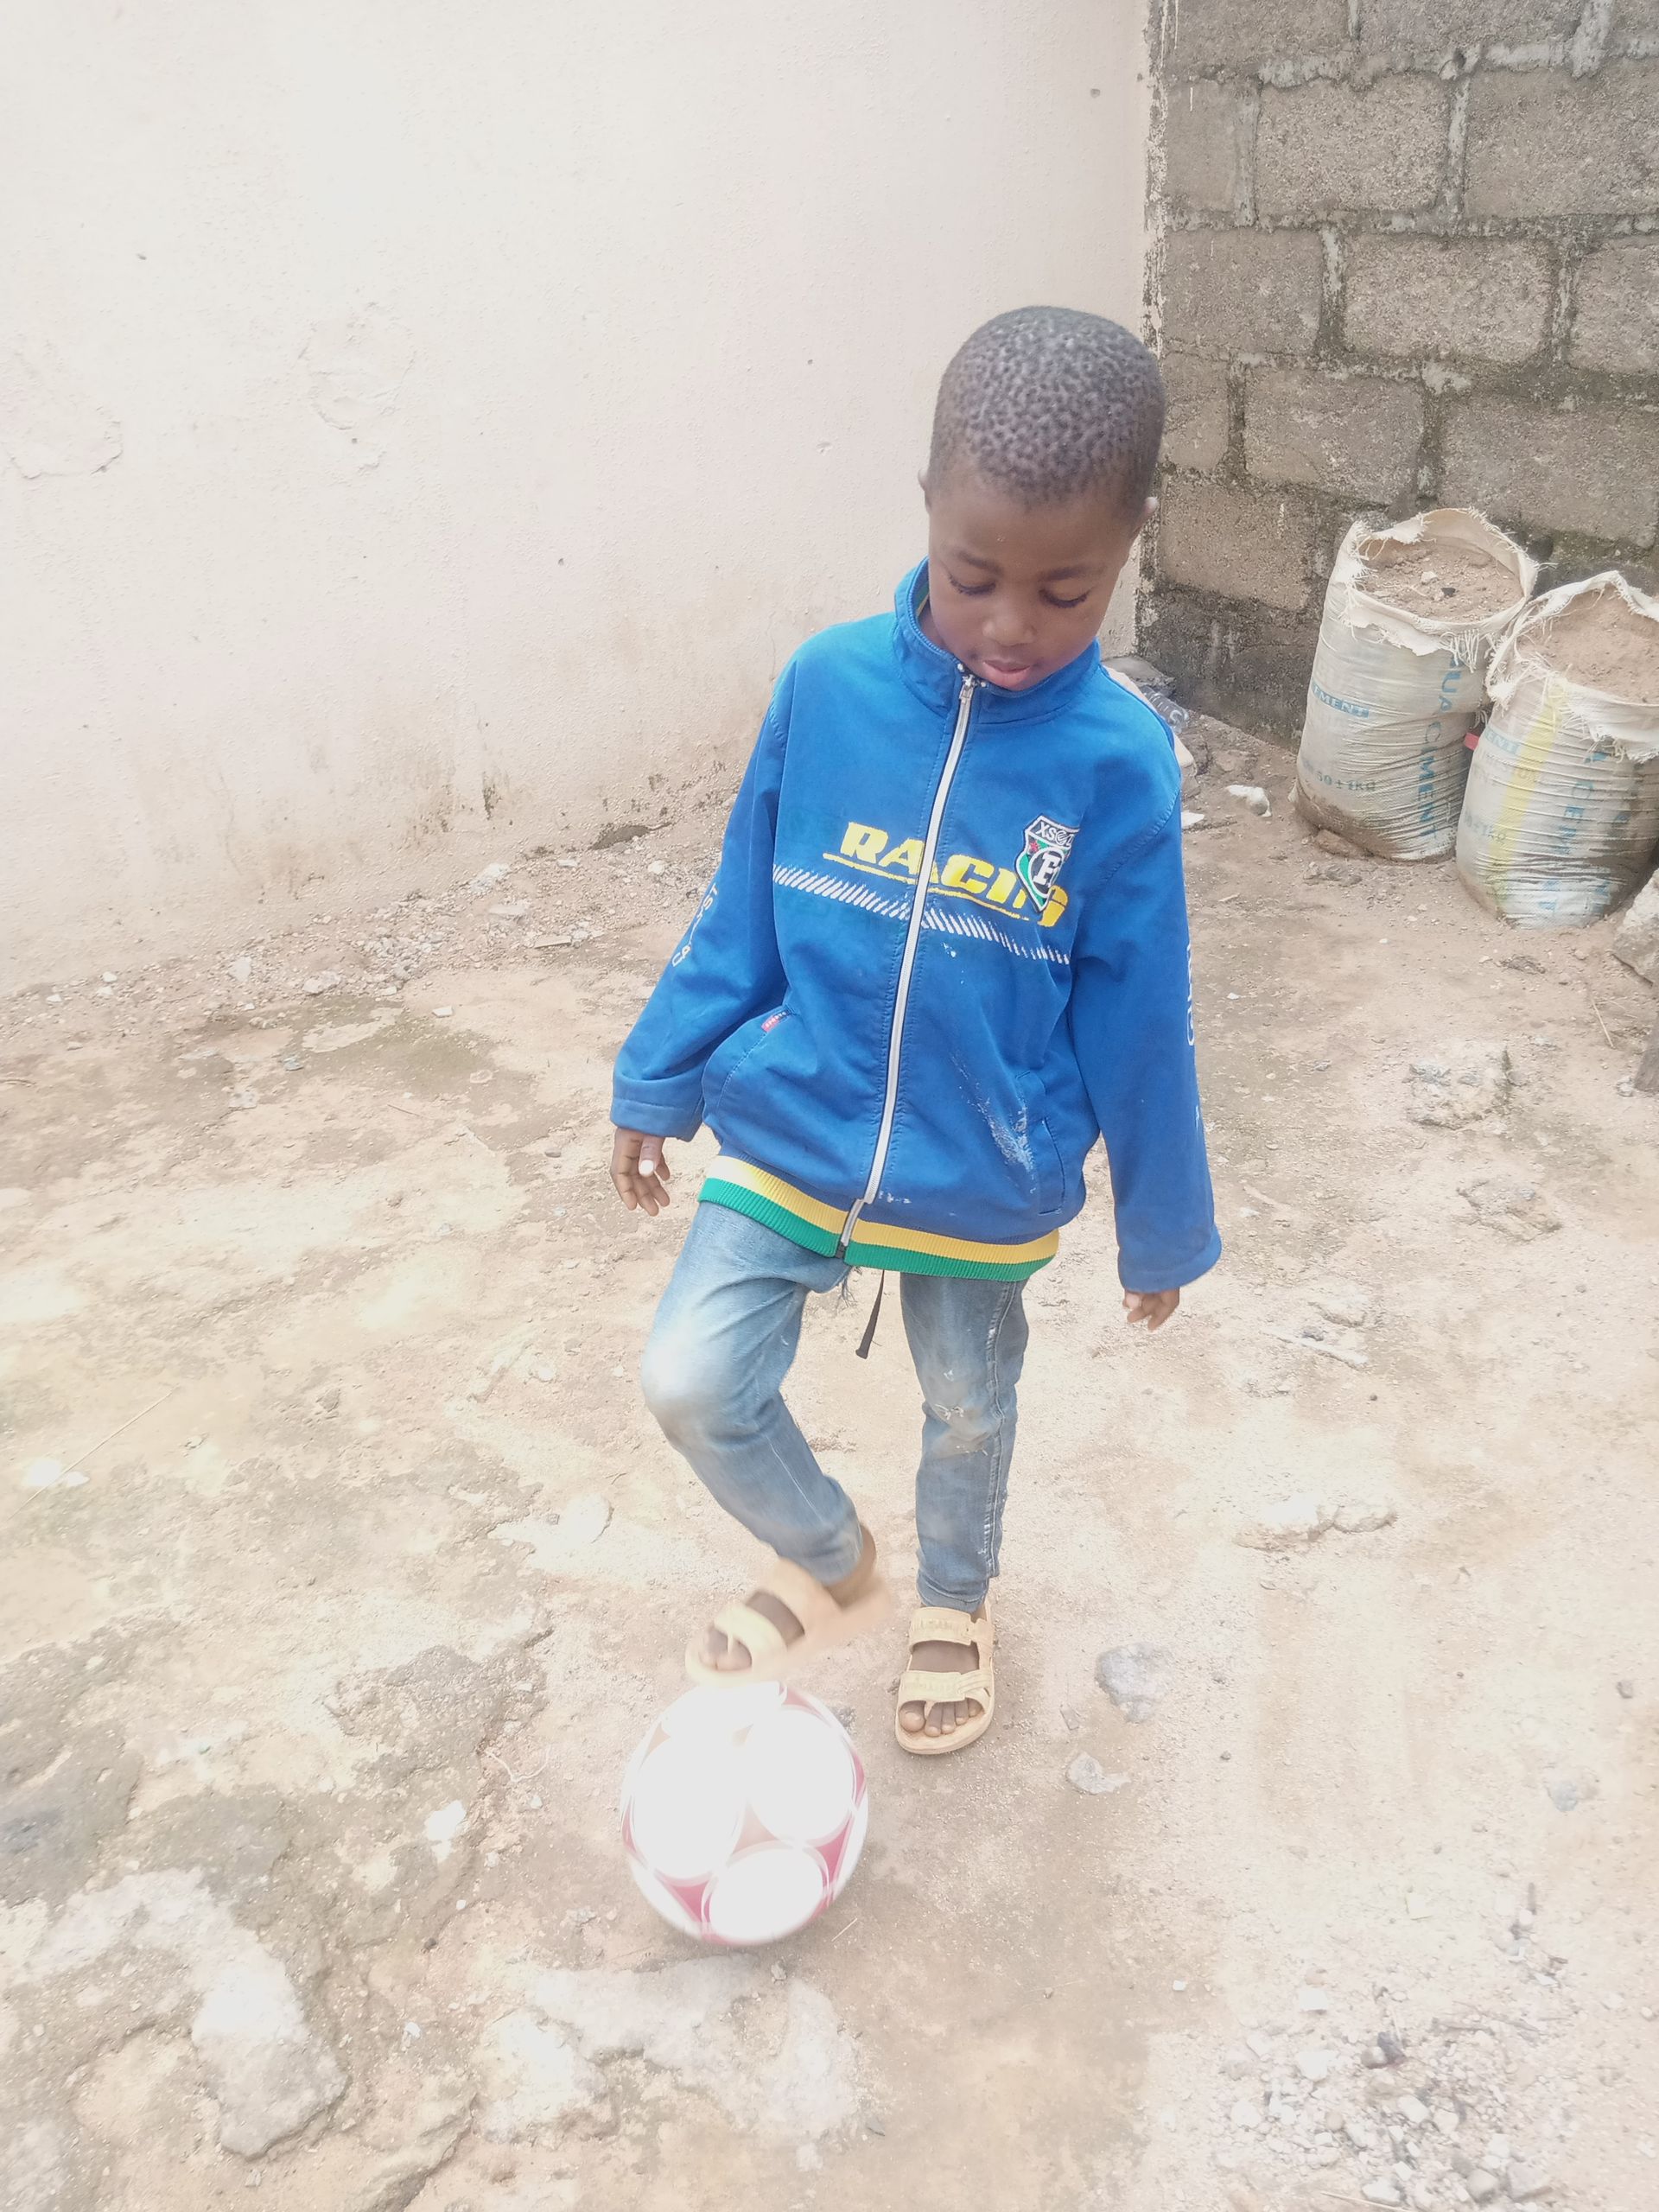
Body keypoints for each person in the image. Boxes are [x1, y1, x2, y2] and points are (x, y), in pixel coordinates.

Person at [608, 306, 1219, 1757]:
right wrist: (658, 1072)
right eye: (973, 575)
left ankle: (955, 1597)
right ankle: (830, 1558)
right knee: (691, 1380)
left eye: (1066, 591)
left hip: (980, 1170)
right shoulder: (826, 688)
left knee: (970, 1405)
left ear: (1129, 545)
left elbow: (1142, 1012)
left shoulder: (1119, 764)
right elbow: (742, 909)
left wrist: (1163, 1226)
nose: (1010, 627)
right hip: (796, 1121)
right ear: (929, 506)